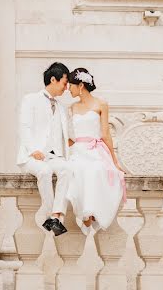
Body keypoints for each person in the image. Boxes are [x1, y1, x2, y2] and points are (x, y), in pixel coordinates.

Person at [64, 67, 126, 235]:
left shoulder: (101, 104)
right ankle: (86, 214)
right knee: (77, 170)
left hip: (96, 149)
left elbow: (105, 133)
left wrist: (114, 160)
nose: (68, 89)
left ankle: (93, 213)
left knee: (97, 170)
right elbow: (70, 137)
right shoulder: (71, 108)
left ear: (81, 85)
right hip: (77, 150)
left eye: (71, 85)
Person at [17, 62, 75, 236]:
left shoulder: (61, 107)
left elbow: (67, 135)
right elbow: (24, 127)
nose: (66, 89)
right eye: (64, 83)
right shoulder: (30, 99)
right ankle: (49, 214)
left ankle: (57, 214)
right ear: (53, 79)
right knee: (44, 172)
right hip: (31, 156)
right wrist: (33, 149)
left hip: (53, 155)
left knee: (66, 169)